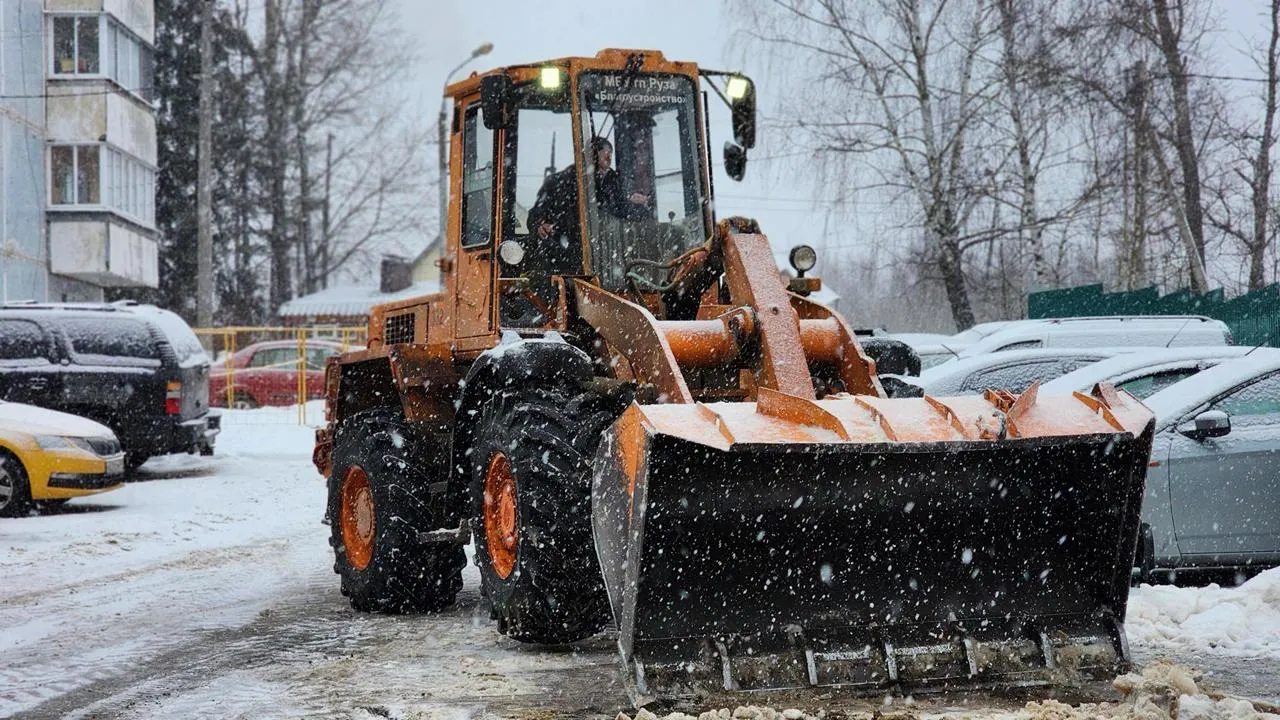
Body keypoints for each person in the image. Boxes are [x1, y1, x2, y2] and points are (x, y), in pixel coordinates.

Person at [527, 136, 650, 243]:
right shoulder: (560, 182)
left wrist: (640, 205)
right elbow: (535, 215)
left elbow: (622, 210)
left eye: (609, 157)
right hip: (565, 249)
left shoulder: (613, 182)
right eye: (604, 155)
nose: (608, 160)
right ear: (587, 155)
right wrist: (540, 225)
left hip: (603, 249)